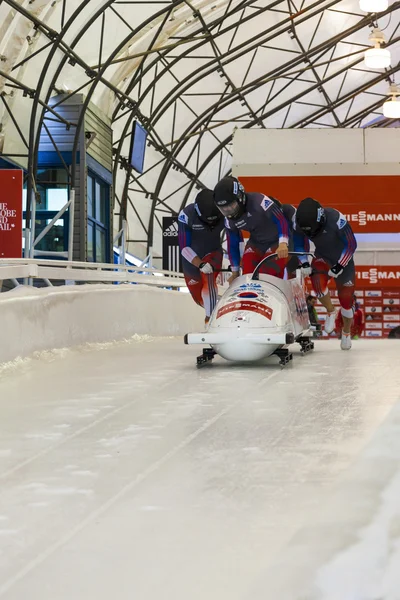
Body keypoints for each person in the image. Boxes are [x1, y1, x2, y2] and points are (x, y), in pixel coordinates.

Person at [213, 177, 310, 282]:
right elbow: (233, 244)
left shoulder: (259, 201)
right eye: (224, 209)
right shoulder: (228, 221)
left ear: (240, 197)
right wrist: (235, 272)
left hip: (277, 242)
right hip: (256, 242)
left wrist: (283, 243)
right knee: (248, 272)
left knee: (266, 273)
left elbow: (280, 220)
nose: (229, 211)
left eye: (231, 206)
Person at [295, 197, 357, 351]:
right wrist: (303, 261)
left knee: (346, 302)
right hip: (323, 256)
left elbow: (351, 244)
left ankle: (346, 333)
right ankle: (330, 311)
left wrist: (340, 265)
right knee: (317, 282)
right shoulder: (299, 223)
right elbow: (297, 242)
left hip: (344, 261)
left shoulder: (336, 218)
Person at [178, 189, 225, 325]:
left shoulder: (224, 212)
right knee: (200, 299)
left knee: (209, 275)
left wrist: (236, 265)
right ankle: (215, 309)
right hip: (192, 261)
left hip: (213, 253)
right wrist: (199, 264)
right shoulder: (186, 215)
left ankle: (209, 319)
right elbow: (184, 247)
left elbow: (234, 235)